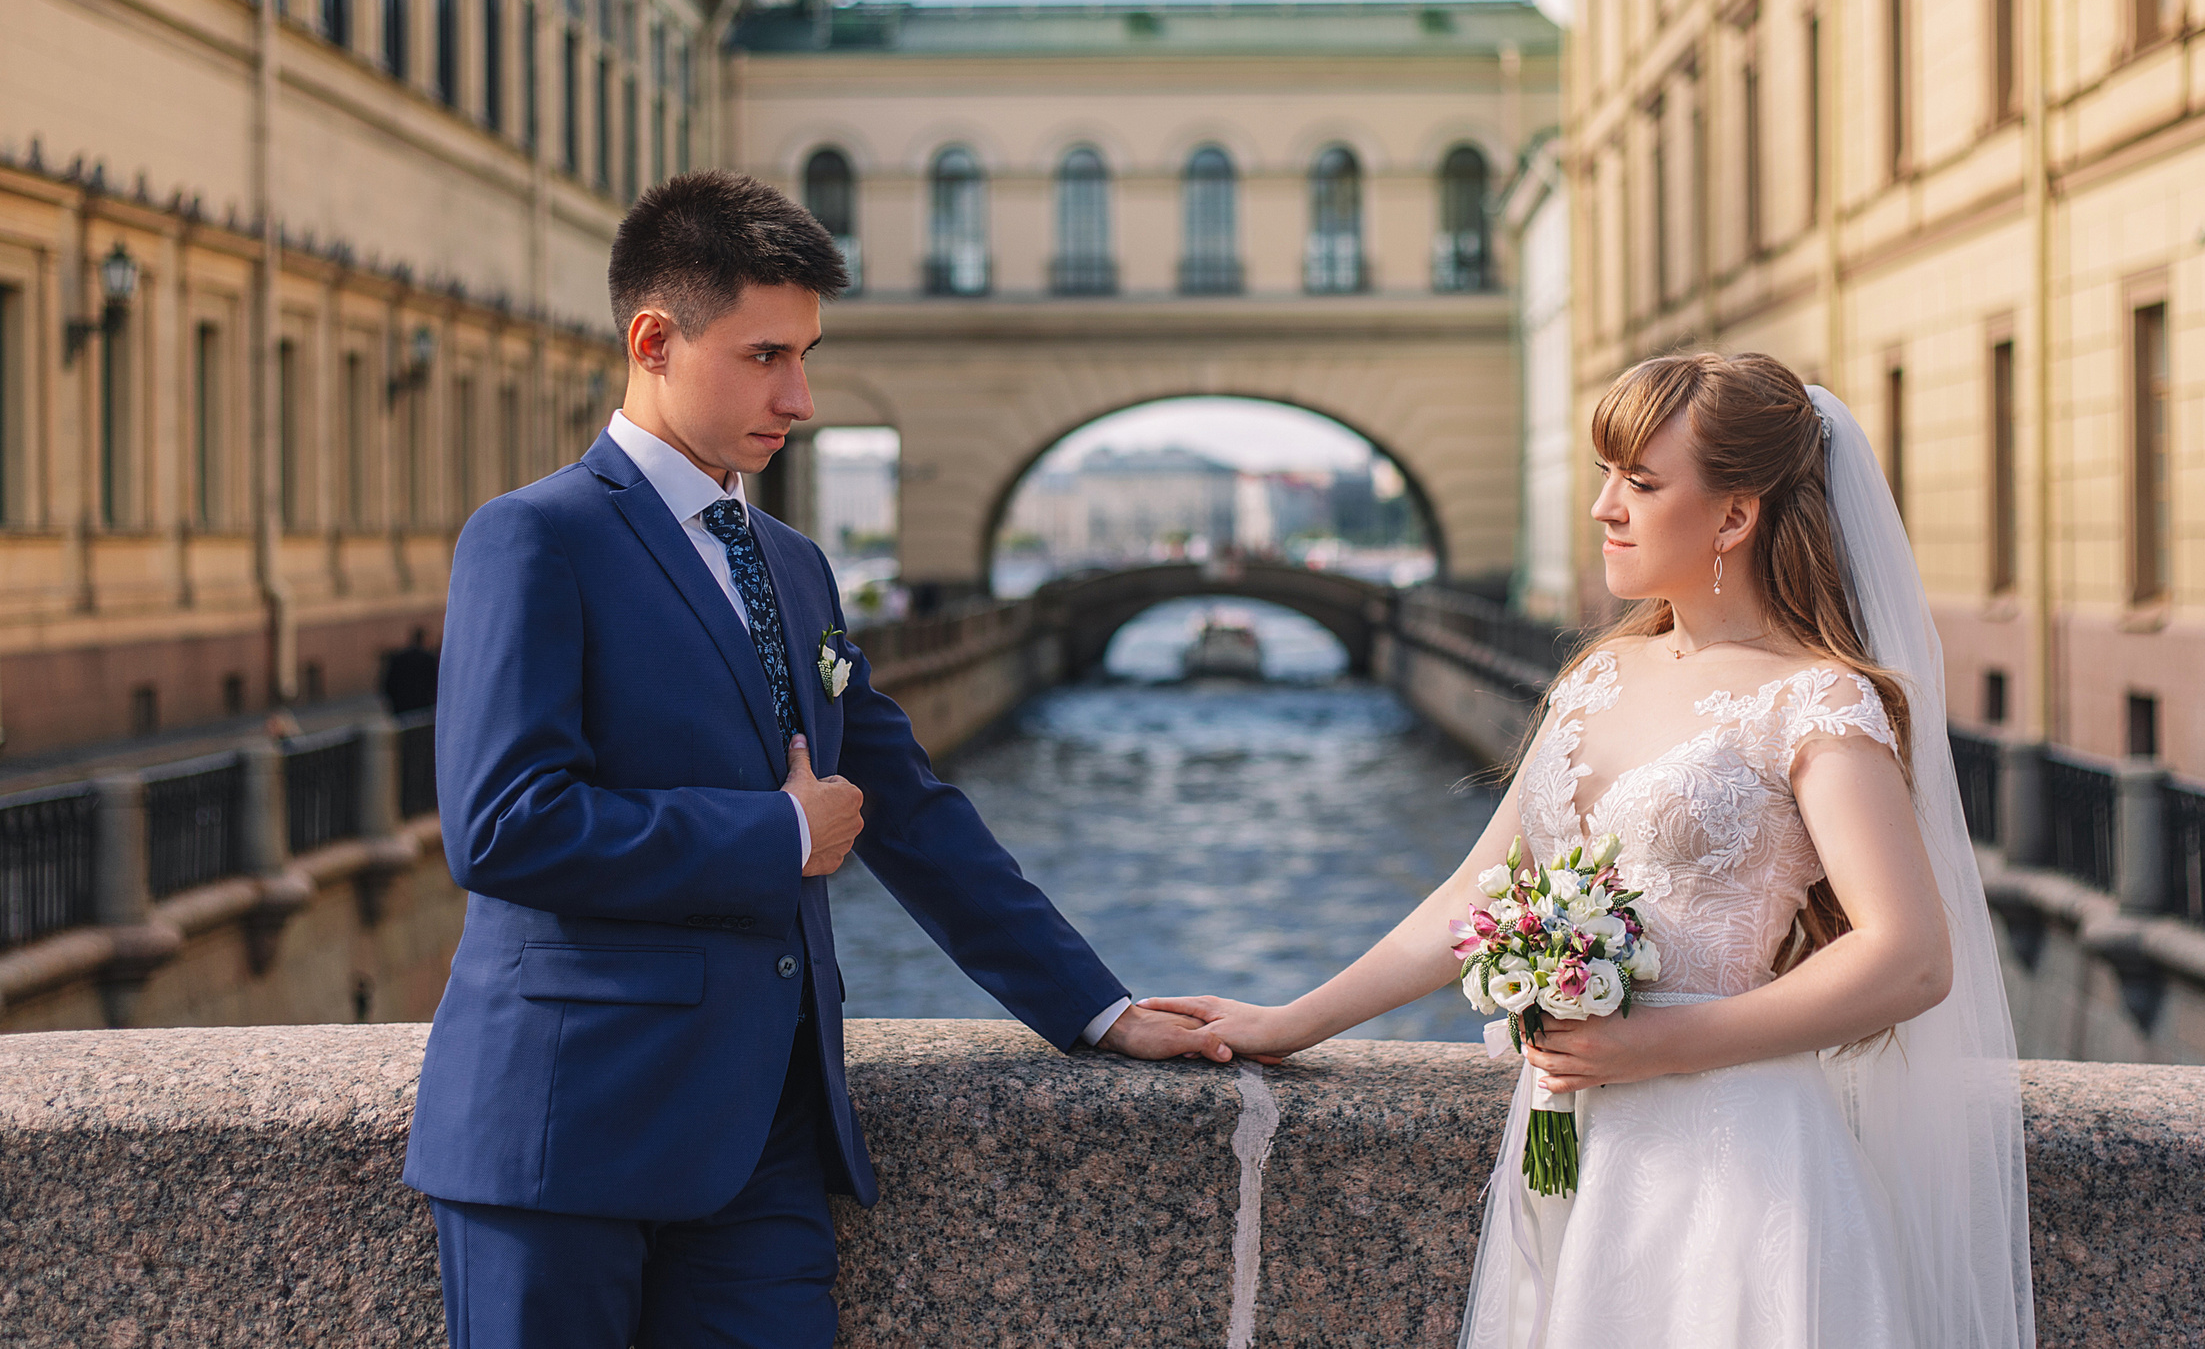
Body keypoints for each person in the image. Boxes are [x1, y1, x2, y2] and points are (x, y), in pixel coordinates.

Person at [403, 171, 1224, 1349]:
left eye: (806, 355)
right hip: (561, 1136)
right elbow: (502, 825)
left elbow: (911, 810)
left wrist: (1097, 1009)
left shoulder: (792, 564)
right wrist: (781, 833)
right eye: (764, 356)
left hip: (766, 1138)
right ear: (653, 341)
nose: (799, 396)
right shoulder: (535, 536)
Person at [1149, 351, 2033, 1348]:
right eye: (1606, 474)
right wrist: (1291, 1020)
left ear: (1734, 518)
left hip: (1740, 1164)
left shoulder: (1815, 697)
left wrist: (1654, 1044)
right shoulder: (1600, 673)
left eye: (1641, 483)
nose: (1605, 507)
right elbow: (1480, 891)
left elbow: (1909, 956)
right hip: (1573, 1144)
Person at [378, 627, 440, 715]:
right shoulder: (429, 659)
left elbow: (388, 684)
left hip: (403, 709)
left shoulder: (397, 659)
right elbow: (435, 683)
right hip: (425, 708)